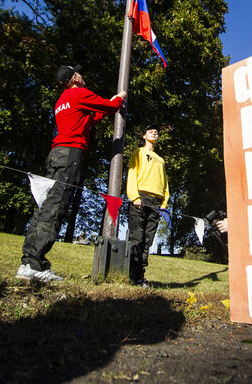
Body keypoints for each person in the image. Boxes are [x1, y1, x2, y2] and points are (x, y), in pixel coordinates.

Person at [16, 65, 126, 282]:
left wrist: (106, 108)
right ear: (75, 78)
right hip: (69, 155)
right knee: (55, 208)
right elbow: (109, 106)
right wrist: (119, 98)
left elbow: (89, 119)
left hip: (56, 154)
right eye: (79, 73)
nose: (82, 75)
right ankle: (34, 264)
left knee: (45, 206)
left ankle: (28, 261)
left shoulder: (62, 101)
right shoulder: (79, 93)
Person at [126, 124, 169, 285]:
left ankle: (140, 276)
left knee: (148, 241)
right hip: (140, 198)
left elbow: (165, 182)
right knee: (136, 239)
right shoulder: (138, 152)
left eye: (156, 132)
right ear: (144, 136)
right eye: (150, 131)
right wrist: (134, 197)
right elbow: (132, 174)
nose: (154, 133)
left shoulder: (161, 160)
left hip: (156, 202)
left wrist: (164, 202)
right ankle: (131, 275)